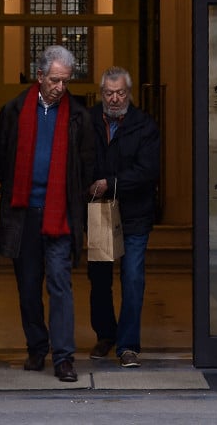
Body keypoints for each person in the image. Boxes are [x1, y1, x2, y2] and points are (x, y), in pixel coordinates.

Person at [0, 44, 95, 382]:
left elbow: (86, 164)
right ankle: (36, 348)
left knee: (60, 285)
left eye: (65, 81)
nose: (60, 87)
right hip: (24, 214)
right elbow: (1, 157)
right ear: (39, 76)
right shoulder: (13, 111)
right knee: (27, 287)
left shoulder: (79, 115)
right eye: (54, 80)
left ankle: (64, 357)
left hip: (60, 215)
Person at [86, 66, 161, 369]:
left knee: (132, 279)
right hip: (100, 213)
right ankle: (106, 335)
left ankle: (128, 345)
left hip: (135, 215)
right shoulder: (88, 120)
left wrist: (110, 183)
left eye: (120, 93)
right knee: (99, 280)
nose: (115, 98)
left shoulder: (145, 125)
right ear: (101, 93)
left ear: (129, 93)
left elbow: (148, 171)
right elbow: (79, 158)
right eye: (109, 93)